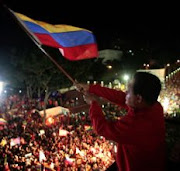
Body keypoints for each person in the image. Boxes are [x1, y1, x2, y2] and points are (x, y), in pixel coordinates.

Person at [75, 72, 166, 171]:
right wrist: (90, 88)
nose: (125, 92)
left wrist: (93, 104)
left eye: (128, 91)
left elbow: (101, 128)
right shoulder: (155, 107)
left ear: (139, 98)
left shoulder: (134, 124)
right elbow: (121, 97)